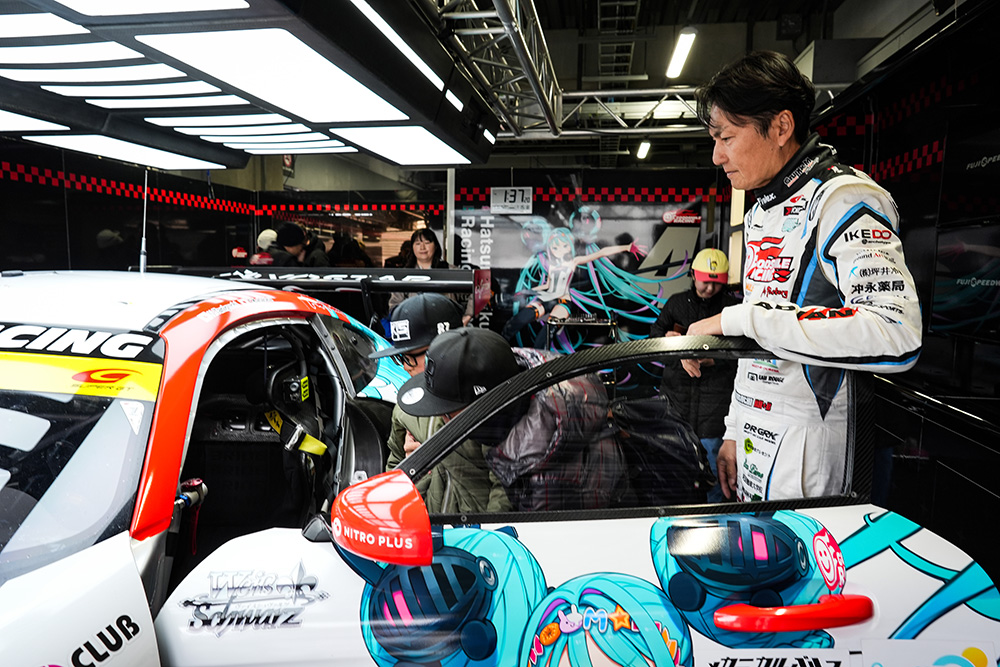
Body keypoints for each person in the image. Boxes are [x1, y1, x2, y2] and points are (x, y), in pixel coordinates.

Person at [687, 50, 922, 501]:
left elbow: (896, 332)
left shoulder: (844, 198)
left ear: (780, 127)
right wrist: (735, 426)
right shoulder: (760, 209)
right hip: (755, 432)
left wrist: (736, 318)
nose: (717, 156)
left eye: (727, 137)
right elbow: (760, 330)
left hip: (812, 444)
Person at [396, 327, 629, 511]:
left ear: (482, 410)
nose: (441, 417)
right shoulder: (522, 371)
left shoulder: (542, 481)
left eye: (448, 411)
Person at [370, 294, 510, 514]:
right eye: (400, 357)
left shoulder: (482, 402)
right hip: (426, 526)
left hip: (473, 528)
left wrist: (489, 531)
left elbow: (504, 484)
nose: (405, 367)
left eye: (411, 356)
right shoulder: (405, 407)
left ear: (444, 348)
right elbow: (394, 469)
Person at [649, 247, 739, 501]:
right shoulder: (676, 303)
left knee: (715, 479)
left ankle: (715, 520)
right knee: (673, 476)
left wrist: (714, 360)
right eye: (705, 281)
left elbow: (743, 356)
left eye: (717, 283)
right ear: (692, 275)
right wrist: (667, 340)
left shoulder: (732, 309)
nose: (710, 288)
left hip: (716, 411)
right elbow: (654, 337)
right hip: (676, 404)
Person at [501, 227, 644, 346]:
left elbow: (601, 253)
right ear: (550, 248)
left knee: (546, 334)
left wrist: (627, 247)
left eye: (564, 245)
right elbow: (547, 285)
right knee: (518, 320)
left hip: (563, 302)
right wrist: (528, 291)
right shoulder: (552, 265)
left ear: (570, 246)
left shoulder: (573, 262)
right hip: (546, 298)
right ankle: (501, 347)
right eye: (555, 247)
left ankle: (538, 360)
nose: (559, 249)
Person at [388, 228, 474, 325]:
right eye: (418, 244)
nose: (422, 247)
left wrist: (468, 315)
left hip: (446, 327)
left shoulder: (449, 270)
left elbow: (478, 288)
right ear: (412, 248)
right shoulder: (405, 275)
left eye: (427, 243)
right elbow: (395, 306)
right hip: (416, 327)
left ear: (436, 246)